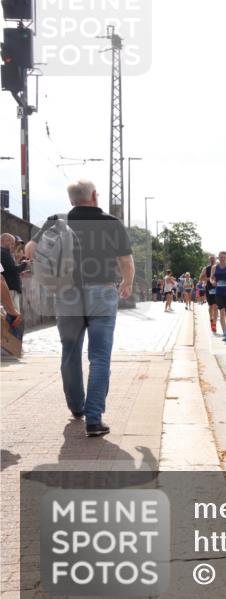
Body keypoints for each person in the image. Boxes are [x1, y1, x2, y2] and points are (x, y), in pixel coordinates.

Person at [25, 180, 134, 437]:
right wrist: (127, 283)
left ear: (71, 199)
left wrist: (47, 272)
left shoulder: (56, 221)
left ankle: (76, 406)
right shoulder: (111, 222)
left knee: (70, 352)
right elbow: (126, 260)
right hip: (103, 293)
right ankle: (94, 419)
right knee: (99, 357)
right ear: (94, 196)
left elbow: (31, 249)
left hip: (67, 293)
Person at [211, 251, 226, 340]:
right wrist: (212, 281)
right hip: (218, 291)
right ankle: (224, 333)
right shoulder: (215, 267)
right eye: (221, 257)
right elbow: (211, 277)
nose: (222, 259)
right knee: (221, 311)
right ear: (218, 258)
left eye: (224, 257)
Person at [1, 233, 26, 314]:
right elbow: (13, 270)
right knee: (14, 316)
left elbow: (9, 271)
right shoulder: (3, 253)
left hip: (9, 289)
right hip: (10, 290)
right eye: (12, 243)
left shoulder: (5, 253)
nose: (13, 245)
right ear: (6, 241)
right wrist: (25, 263)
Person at [200, 254, 219, 333]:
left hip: (217, 289)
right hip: (209, 289)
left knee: (215, 306)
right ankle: (211, 319)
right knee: (211, 306)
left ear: (215, 259)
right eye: (211, 259)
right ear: (209, 260)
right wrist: (209, 278)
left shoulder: (218, 268)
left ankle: (214, 324)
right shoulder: (206, 268)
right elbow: (200, 278)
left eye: (213, 259)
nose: (212, 260)